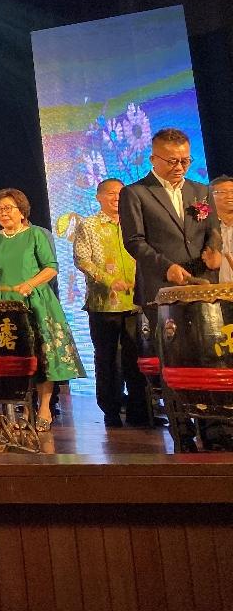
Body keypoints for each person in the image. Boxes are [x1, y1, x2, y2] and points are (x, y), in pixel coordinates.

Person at [119, 128, 223, 451]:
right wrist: (166, 267)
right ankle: (182, 433)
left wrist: (214, 249)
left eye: (185, 160)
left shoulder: (200, 190)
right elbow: (134, 242)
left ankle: (214, 430)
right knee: (173, 363)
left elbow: (212, 230)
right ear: (154, 159)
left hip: (202, 289)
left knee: (208, 357)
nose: (180, 167)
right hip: (162, 290)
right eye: (172, 161)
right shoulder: (136, 193)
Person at [0, 188, 85, 431]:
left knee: (41, 356)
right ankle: (22, 408)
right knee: (14, 359)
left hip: (34, 301)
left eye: (9, 208)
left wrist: (29, 284)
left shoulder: (35, 234)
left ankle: (44, 408)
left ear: (22, 212)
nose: (4, 213)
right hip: (4, 304)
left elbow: (51, 268)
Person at [72, 178, 148, 428]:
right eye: (111, 194)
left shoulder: (134, 222)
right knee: (107, 360)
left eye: (120, 194)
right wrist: (108, 280)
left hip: (136, 302)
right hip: (103, 304)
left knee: (136, 358)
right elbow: (82, 259)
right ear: (99, 197)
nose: (116, 198)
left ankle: (140, 411)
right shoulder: (89, 225)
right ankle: (111, 411)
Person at [211, 176, 233, 282]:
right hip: (218, 289)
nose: (230, 196)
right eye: (222, 192)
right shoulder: (206, 227)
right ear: (210, 196)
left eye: (232, 191)